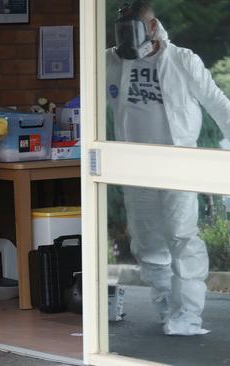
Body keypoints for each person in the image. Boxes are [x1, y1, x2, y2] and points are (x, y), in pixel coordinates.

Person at [106, 0, 230, 336]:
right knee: (148, 243)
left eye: (134, 28)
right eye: (123, 30)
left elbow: (217, 103)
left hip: (177, 163)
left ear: (152, 26)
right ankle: (166, 310)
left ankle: (188, 315)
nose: (127, 38)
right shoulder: (111, 61)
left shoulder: (182, 60)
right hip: (134, 165)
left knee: (182, 237)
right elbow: (86, 97)